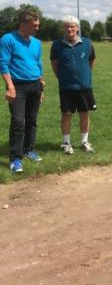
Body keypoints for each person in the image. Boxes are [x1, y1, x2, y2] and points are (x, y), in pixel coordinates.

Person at [0, 9, 45, 173]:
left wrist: (41, 86)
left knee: (32, 120)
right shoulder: (8, 39)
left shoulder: (37, 43)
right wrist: (10, 86)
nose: (37, 28)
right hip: (17, 86)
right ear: (24, 24)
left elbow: (38, 64)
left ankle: (29, 149)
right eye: (35, 25)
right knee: (18, 122)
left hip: (35, 85)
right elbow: (3, 64)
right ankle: (15, 159)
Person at [50, 16, 96, 155]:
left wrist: (85, 75)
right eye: (66, 26)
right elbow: (54, 65)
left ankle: (84, 142)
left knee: (84, 113)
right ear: (63, 28)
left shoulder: (87, 43)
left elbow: (92, 60)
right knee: (66, 114)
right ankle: (66, 143)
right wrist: (63, 78)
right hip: (66, 87)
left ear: (77, 28)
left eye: (72, 26)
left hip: (84, 87)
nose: (69, 29)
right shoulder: (57, 45)